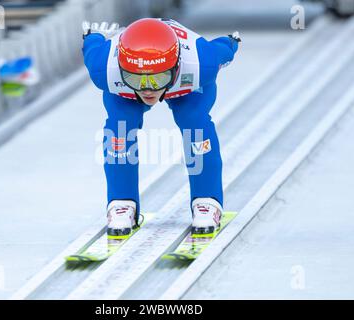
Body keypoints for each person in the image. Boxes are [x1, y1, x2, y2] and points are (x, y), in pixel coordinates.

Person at [82, 18, 240, 236]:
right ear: (120, 68)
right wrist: (92, 36)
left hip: (185, 87)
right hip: (129, 90)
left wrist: (231, 42)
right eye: (138, 78)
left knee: (195, 122)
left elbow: (223, 49)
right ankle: (121, 202)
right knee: (119, 128)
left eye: (157, 78)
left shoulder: (202, 63)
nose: (148, 90)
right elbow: (91, 45)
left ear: (176, 67)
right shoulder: (103, 68)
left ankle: (207, 199)